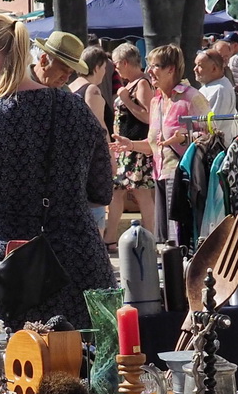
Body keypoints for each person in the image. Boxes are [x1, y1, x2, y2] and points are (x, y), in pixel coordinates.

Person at [0, 14, 115, 328]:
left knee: (2, 358)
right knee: (82, 355)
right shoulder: (76, 109)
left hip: (2, 270)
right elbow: (101, 191)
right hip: (79, 262)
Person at [112, 45, 204, 242]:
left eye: (155, 66)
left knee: (180, 238)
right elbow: (155, 144)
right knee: (167, 240)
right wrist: (131, 145)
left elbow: (211, 136)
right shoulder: (156, 101)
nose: (149, 71)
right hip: (160, 175)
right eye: (149, 65)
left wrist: (185, 138)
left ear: (171, 69)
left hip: (183, 177)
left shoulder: (191, 97)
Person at [103, 43, 156, 247]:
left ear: (125, 62)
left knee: (142, 193)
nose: (116, 69)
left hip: (137, 148)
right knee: (117, 192)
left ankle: (149, 238)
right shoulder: (133, 84)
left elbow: (148, 116)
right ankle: (110, 238)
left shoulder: (141, 84)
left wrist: (126, 100)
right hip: (126, 148)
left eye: (116, 64)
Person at [70, 45, 112, 133]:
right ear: (97, 68)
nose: (105, 72)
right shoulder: (92, 90)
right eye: (104, 67)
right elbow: (99, 127)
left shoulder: (69, 87)